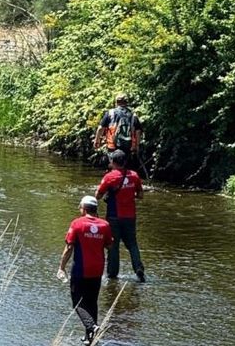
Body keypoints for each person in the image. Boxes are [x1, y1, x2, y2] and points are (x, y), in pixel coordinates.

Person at [57, 196, 113, 346]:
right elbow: (110, 246)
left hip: (81, 269)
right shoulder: (105, 225)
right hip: (97, 269)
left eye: (80, 206)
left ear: (84, 208)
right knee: (91, 302)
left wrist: (61, 267)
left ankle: (91, 327)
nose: (78, 209)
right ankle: (90, 338)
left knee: (78, 303)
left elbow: (69, 247)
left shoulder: (77, 223)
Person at [95, 149, 145, 282]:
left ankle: (112, 274)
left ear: (113, 162)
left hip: (113, 217)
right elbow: (140, 195)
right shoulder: (134, 175)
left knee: (113, 245)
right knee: (132, 244)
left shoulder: (109, 177)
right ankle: (138, 268)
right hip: (130, 216)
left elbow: (98, 196)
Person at [93, 93, 143, 165]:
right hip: (128, 148)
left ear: (116, 102)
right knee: (126, 168)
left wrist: (96, 141)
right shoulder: (133, 115)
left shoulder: (110, 113)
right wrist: (137, 146)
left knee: (113, 168)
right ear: (126, 102)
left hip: (113, 147)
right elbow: (138, 132)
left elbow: (101, 128)